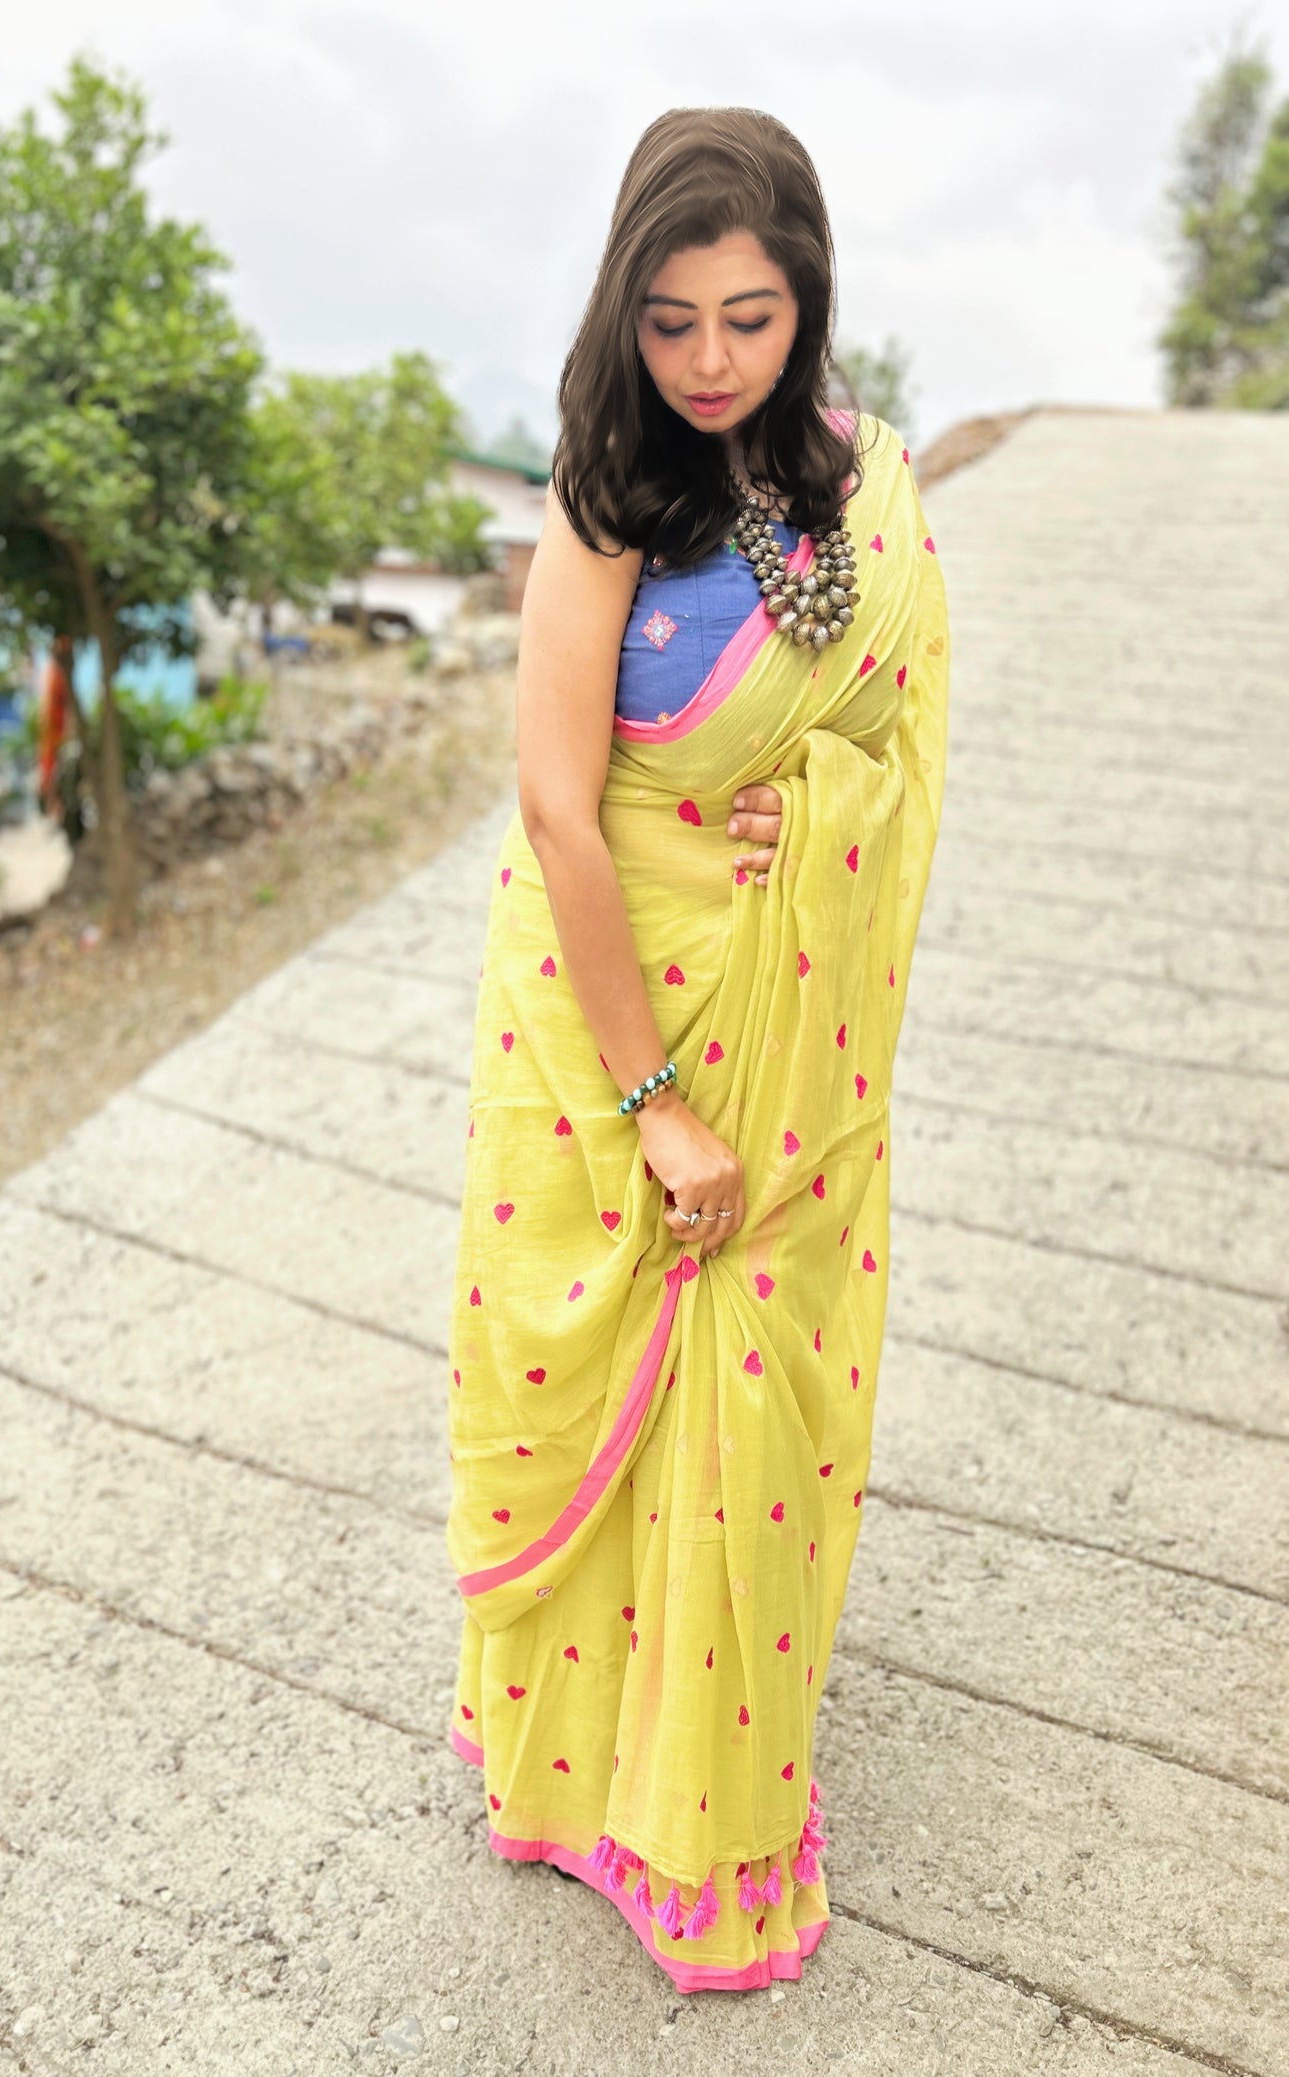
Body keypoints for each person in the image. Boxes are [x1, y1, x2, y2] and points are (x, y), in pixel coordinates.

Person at [444, 105, 950, 1995]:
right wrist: (654, 1106)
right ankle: (587, 1778)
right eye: (671, 321)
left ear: (807, 300)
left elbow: (894, 744)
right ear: (624, 316)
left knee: (752, 1420)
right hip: (614, 1012)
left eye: (750, 314)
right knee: (603, 1385)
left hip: (790, 1016)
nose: (714, 358)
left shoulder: (865, 481)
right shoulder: (602, 504)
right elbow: (564, 810)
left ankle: (720, 1770)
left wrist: (811, 802)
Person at [37, 633, 74, 820]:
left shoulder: (55, 673)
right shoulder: (53, 673)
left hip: (58, 732)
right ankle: (55, 804)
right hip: (55, 732)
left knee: (53, 768)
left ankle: (55, 803)